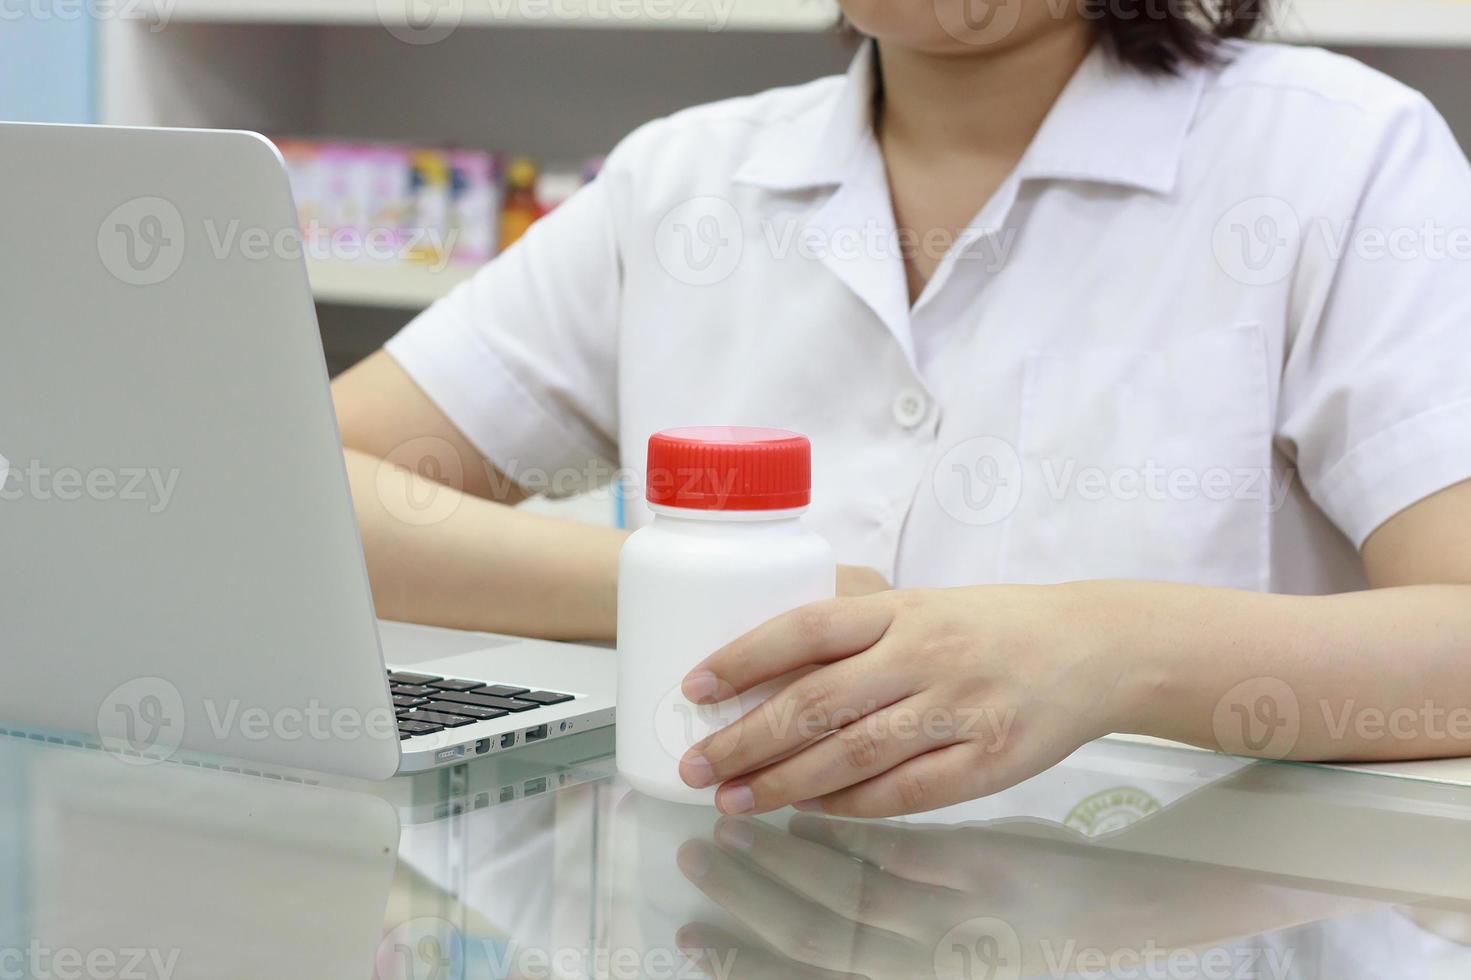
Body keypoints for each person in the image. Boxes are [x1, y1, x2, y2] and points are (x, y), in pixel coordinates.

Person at [332, 0, 1471, 817]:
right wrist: (685, 588)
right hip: (727, 907)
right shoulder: (683, 180)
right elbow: (294, 480)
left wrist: (1109, 649)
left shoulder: (1339, 154)